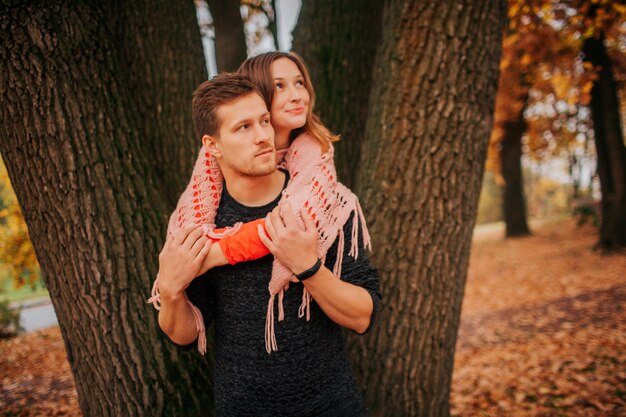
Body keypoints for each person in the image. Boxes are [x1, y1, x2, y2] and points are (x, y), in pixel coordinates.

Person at [152, 67, 381, 415]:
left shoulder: (325, 203)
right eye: (243, 127)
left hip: (332, 406)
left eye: (263, 121)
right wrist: (170, 291)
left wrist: (308, 267)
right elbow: (183, 335)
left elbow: (364, 315)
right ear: (212, 145)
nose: (262, 136)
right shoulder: (200, 225)